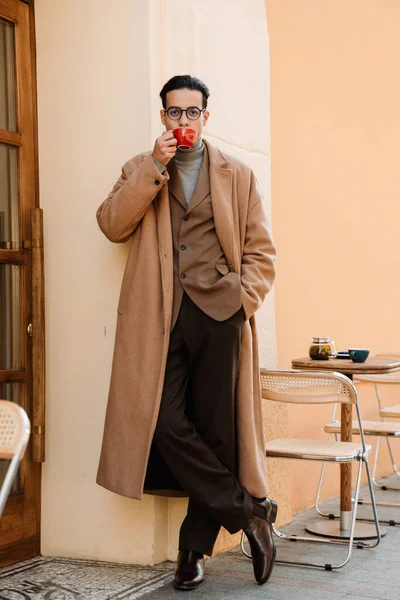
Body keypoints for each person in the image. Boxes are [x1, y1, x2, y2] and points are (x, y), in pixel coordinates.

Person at [96, 75, 277, 589]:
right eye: (173, 113)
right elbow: (111, 224)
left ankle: (190, 554)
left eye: (191, 113)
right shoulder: (140, 167)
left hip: (219, 314)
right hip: (160, 315)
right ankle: (251, 514)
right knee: (162, 421)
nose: (183, 123)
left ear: (206, 117)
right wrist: (155, 167)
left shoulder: (237, 175)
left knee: (219, 432)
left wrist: (242, 302)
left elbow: (262, 253)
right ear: (162, 118)